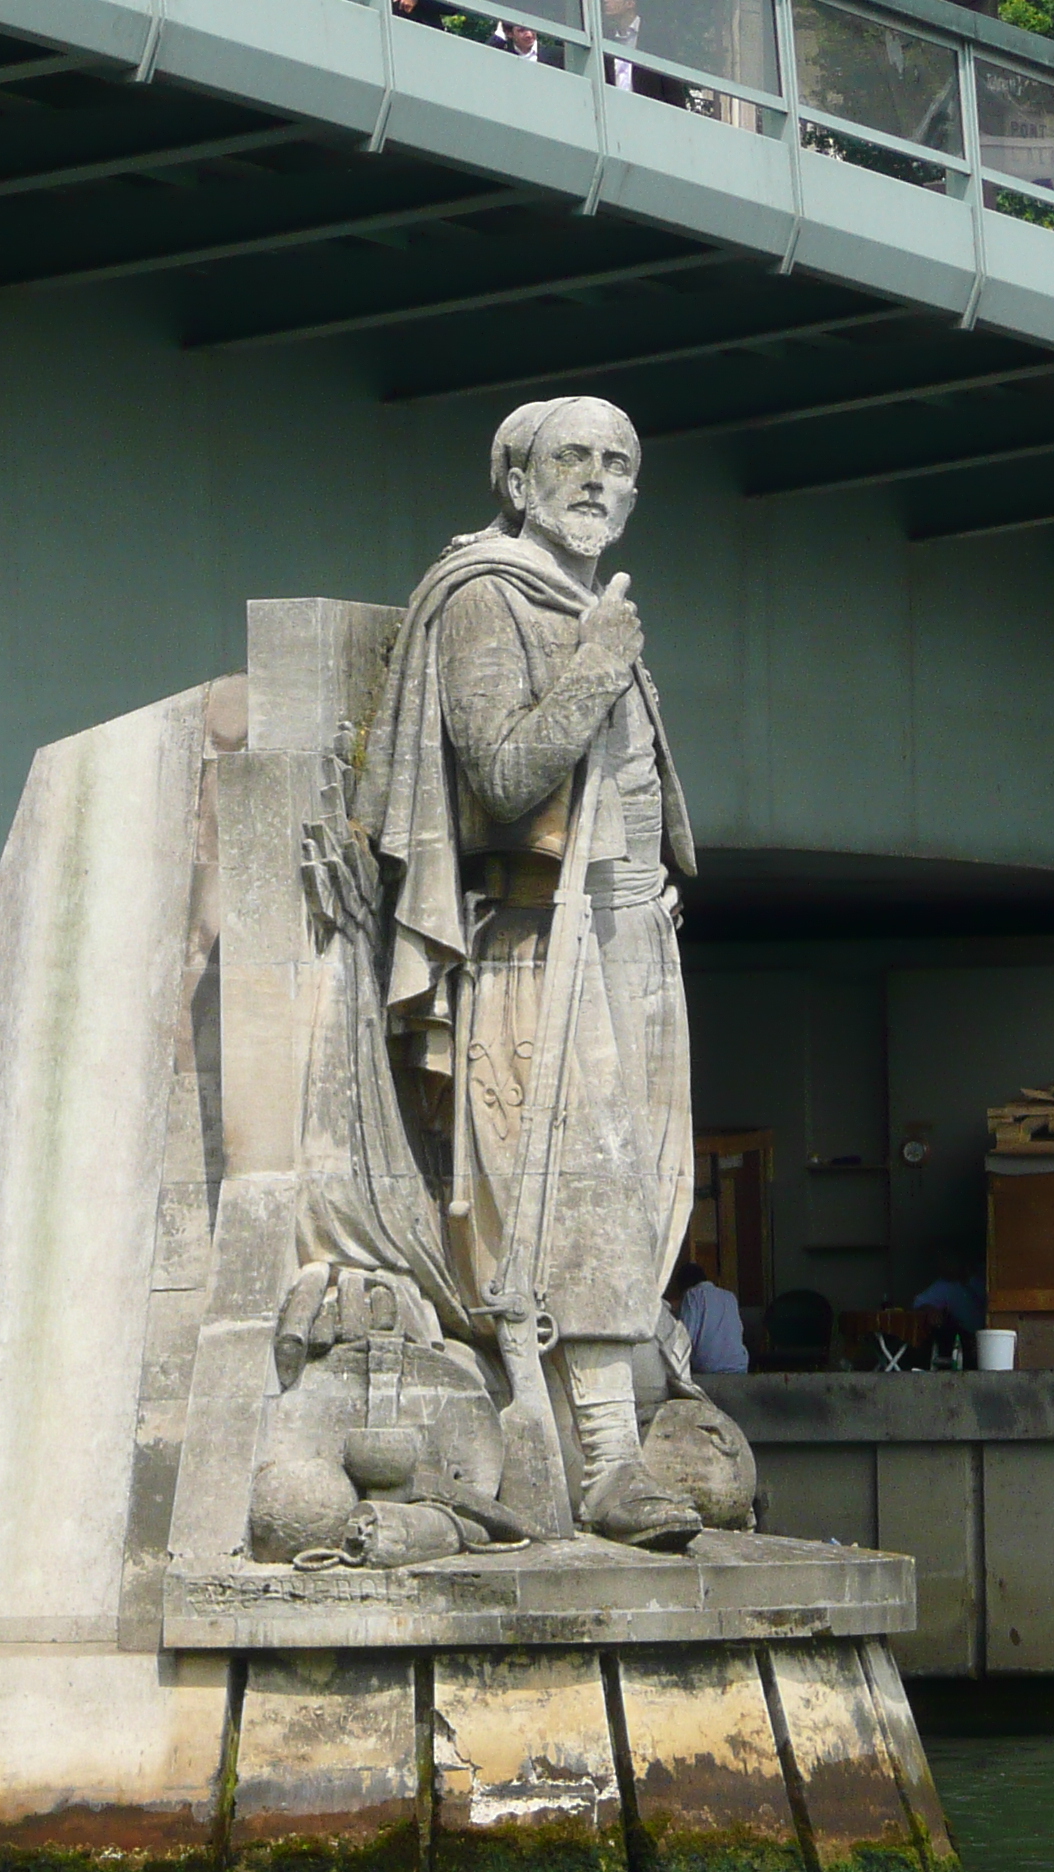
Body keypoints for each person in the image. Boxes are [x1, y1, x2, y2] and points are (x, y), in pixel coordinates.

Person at [356, 396, 704, 1549]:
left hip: (629, 932)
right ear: (517, 481)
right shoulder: (486, 598)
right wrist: (600, 665)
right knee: (578, 1186)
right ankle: (601, 1458)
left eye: (619, 463)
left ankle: (615, 1435)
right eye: (574, 459)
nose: (598, 480)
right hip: (537, 940)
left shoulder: (588, 599)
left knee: (648, 1184)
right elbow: (503, 774)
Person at [667, 1261, 749, 1375]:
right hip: (739, 1366)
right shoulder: (729, 1296)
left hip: (711, 1370)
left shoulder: (692, 1295)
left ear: (682, 1286)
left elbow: (685, 1338)